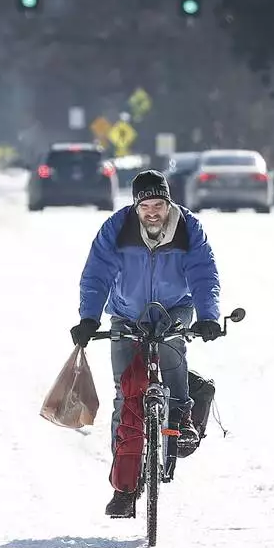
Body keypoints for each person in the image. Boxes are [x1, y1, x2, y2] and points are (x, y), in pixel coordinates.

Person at [70, 169, 223, 518]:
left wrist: (208, 315)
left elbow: (203, 273)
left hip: (174, 310)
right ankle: (124, 488)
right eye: (145, 206)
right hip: (127, 314)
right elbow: (97, 274)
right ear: (136, 207)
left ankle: (182, 414)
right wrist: (89, 318)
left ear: (168, 203)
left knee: (171, 353)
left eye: (158, 205)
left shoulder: (188, 228)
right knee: (126, 394)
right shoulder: (117, 228)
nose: (152, 212)